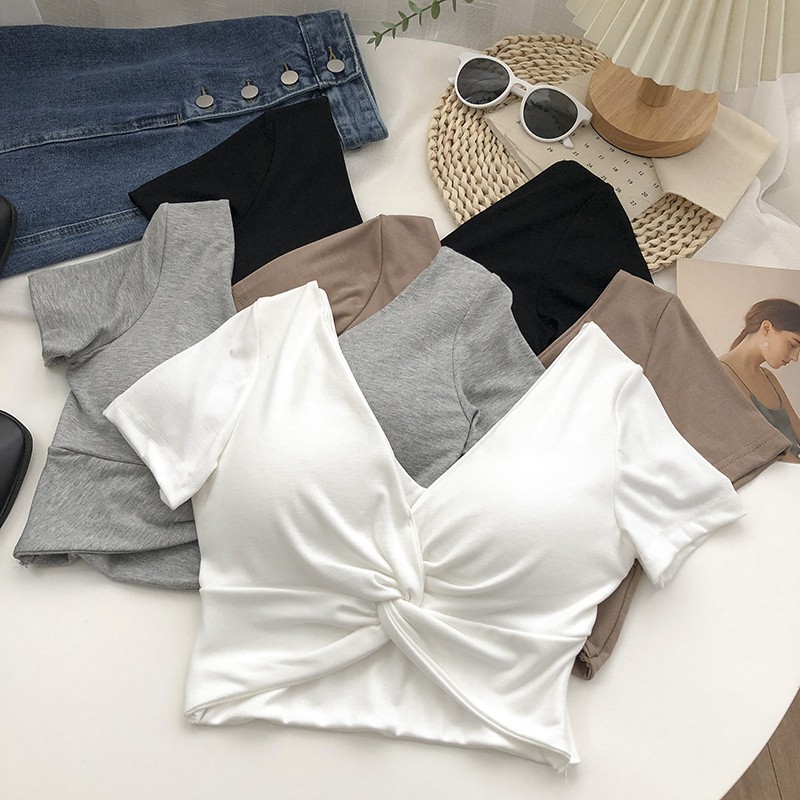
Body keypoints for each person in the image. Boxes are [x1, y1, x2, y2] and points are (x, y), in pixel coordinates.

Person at [719, 298, 800, 463]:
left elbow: (797, 430)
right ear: (766, 328)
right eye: (793, 345)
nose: (795, 357)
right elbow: (768, 450)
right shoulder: (721, 376)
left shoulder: (768, 377)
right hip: (770, 474)